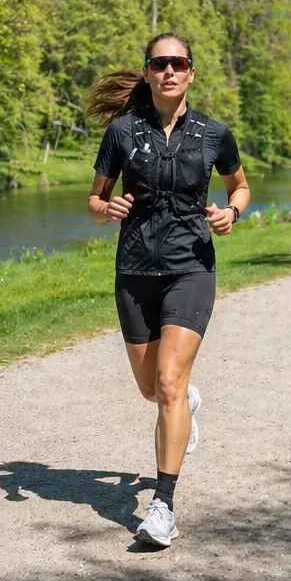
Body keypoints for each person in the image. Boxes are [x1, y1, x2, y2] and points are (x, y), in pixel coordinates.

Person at [86, 32, 250, 548]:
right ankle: (184, 404)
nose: (170, 71)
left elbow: (240, 186)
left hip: (191, 267)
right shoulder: (122, 132)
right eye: (160, 64)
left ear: (191, 73)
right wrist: (104, 210)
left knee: (170, 384)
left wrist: (232, 213)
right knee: (150, 388)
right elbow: (95, 198)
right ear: (150, 73)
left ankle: (164, 507)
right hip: (134, 270)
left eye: (178, 63)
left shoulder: (214, 134)